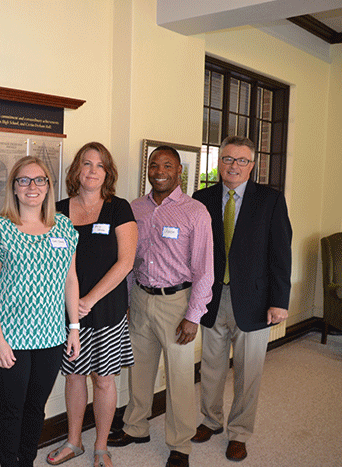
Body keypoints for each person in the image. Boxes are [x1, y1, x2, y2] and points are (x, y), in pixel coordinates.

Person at [107, 146, 214, 467]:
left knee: (180, 376)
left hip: (177, 303)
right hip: (140, 297)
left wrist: (193, 316)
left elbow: (204, 270)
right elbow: (127, 260)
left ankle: (180, 444)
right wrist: (126, 301)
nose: (160, 171)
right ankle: (136, 426)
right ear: (147, 169)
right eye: (154, 165)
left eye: (167, 165)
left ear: (178, 170)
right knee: (139, 369)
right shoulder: (134, 208)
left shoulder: (195, 212)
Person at [191, 136, 292, 462]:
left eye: (241, 160)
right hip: (212, 297)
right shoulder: (201, 198)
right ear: (219, 162)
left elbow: (281, 253)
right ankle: (211, 420)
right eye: (228, 159)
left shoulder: (271, 200)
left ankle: (240, 433)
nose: (233, 166)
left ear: (253, 165)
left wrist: (280, 301)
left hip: (256, 301)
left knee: (249, 373)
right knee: (211, 367)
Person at [0, 156, 81, 467]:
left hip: (50, 336)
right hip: (10, 336)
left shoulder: (63, 226)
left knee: (36, 407)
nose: (32, 186)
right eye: (24, 180)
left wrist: (74, 327)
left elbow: (70, 278)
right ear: (13, 187)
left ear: (49, 187)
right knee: (11, 407)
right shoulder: (0, 229)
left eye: (39, 180)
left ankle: (26, 461)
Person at [46, 142, 137, 467]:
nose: (93, 170)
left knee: (103, 378)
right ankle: (74, 442)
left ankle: (100, 446)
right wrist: (73, 304)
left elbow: (125, 262)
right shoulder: (55, 210)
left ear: (107, 173)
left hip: (106, 309)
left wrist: (88, 299)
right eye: (87, 164)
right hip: (66, 311)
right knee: (73, 376)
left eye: (100, 165)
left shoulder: (119, 208)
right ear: (76, 170)